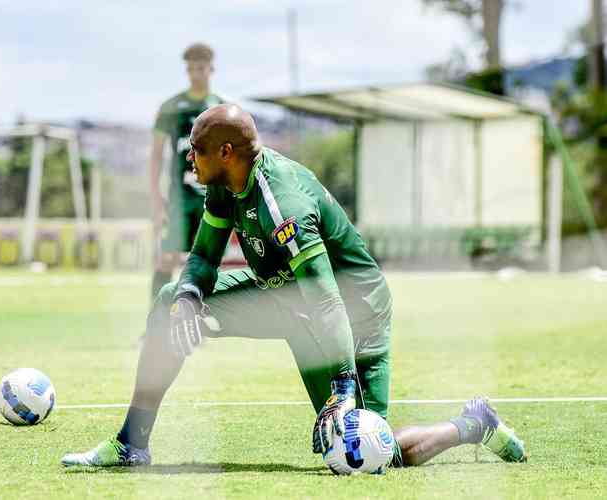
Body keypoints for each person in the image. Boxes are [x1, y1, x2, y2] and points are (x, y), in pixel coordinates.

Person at [61, 104, 526, 469]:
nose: (189, 156)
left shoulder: (283, 205)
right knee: (170, 301)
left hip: (352, 311)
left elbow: (326, 300)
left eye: (197, 147)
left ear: (226, 153)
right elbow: (203, 257)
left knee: (367, 454)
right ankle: (131, 446)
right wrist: (187, 297)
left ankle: (473, 424)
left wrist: (343, 389)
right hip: (287, 297)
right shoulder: (224, 183)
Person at [149, 42, 226, 299]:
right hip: (178, 198)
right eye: (191, 69)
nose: (196, 74)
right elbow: (156, 155)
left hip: (211, 196)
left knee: (204, 262)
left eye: (201, 68)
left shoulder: (221, 108)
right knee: (166, 258)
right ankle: (156, 327)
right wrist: (156, 196)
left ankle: (193, 324)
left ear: (211, 69)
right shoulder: (171, 108)